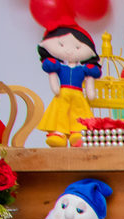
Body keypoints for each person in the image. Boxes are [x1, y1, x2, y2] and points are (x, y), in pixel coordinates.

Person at [36, 19, 102, 147]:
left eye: (77, 47)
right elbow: (53, 76)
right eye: (61, 45)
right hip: (62, 93)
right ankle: (58, 134)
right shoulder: (59, 67)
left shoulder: (84, 70)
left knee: (79, 113)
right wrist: (54, 85)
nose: (69, 51)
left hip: (78, 95)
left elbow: (89, 82)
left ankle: (78, 133)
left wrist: (90, 91)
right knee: (60, 112)